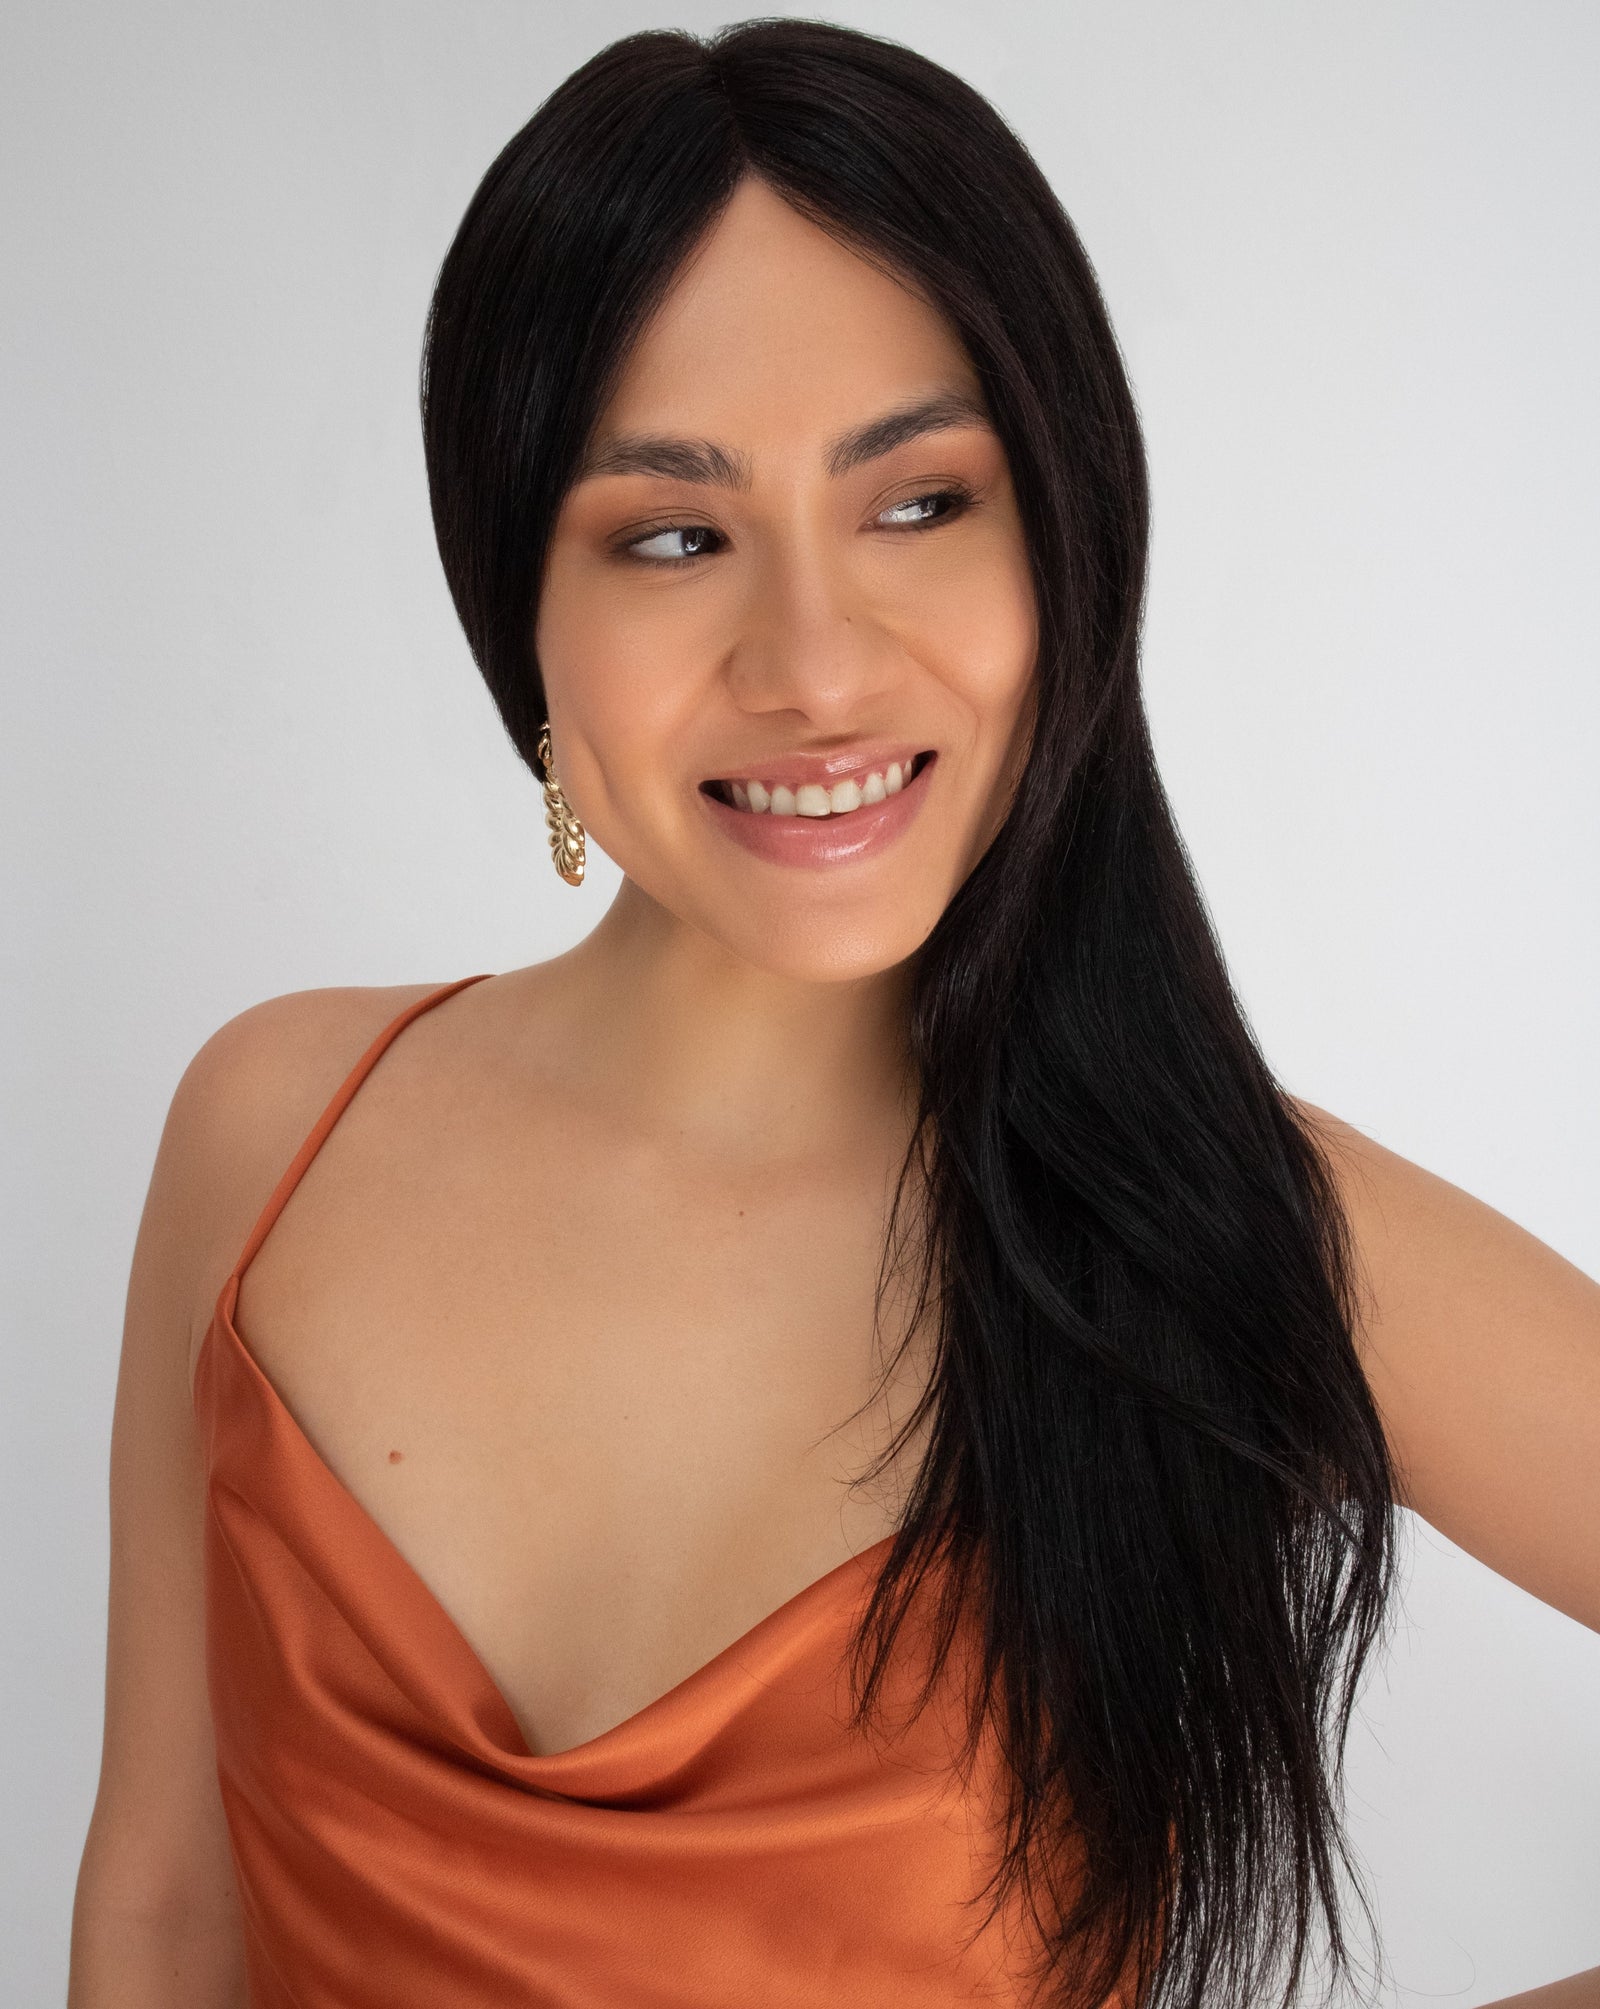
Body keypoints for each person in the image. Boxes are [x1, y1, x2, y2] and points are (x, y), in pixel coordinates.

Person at [68, 20, 1599, 2009]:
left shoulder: (1240, 1228)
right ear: (516, 610)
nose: (809, 662)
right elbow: (165, 1915)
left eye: (914, 504)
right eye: (671, 536)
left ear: (1062, 545)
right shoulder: (270, 1126)